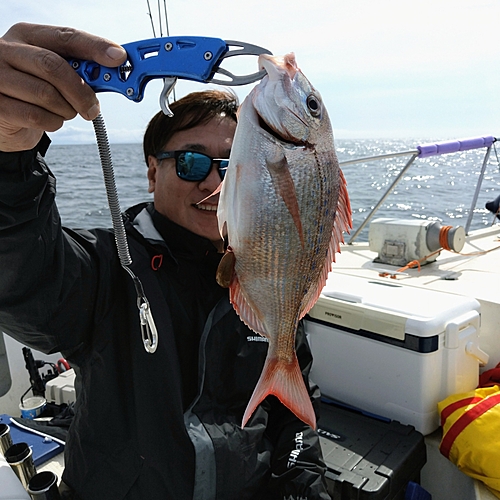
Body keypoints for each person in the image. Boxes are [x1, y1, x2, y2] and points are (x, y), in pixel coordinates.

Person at [0, 23, 330, 499]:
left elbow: (293, 413)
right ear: (153, 172)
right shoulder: (107, 266)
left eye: (230, 163)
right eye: (191, 162)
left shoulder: (264, 272)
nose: (212, 183)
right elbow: (23, 281)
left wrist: (303, 485)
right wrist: (8, 161)